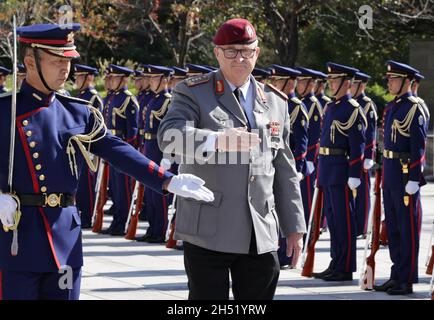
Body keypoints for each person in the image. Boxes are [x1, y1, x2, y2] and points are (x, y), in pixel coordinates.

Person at [0, 22, 213, 300]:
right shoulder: (6, 110)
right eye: (56, 62)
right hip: (17, 237)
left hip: (64, 238)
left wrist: (167, 180)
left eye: (69, 61)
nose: (66, 69)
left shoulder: (77, 113)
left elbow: (115, 149)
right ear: (30, 62)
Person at [158, 18, 306, 300]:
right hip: (209, 230)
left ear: (257, 53)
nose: (239, 57)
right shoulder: (193, 91)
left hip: (259, 230)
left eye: (246, 50)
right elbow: (169, 137)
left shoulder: (275, 101)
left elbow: (284, 167)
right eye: (231, 51)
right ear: (216, 53)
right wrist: (216, 140)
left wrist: (295, 227)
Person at [373, 61, 426, 295]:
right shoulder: (392, 106)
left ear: (406, 81)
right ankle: (396, 274)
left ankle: (406, 278)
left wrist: (416, 175)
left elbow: (419, 145)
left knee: (407, 229)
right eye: (389, 78)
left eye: (393, 78)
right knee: (393, 227)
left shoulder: (415, 107)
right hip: (391, 172)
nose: (389, 82)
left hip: (406, 175)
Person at [312, 62, 366, 282]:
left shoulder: (352, 109)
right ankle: (336, 262)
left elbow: (358, 144)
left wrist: (355, 173)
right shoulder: (332, 107)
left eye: (335, 80)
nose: (331, 83)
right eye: (330, 80)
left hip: (341, 171)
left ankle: (345, 266)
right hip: (327, 169)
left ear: (346, 83)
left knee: (344, 221)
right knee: (333, 220)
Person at [267, 64, 307, 269]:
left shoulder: (297, 107)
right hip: (273, 165)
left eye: (278, 81)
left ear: (290, 83)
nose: (274, 85)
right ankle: (279, 251)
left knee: (288, 208)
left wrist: (299, 168)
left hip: (288, 167)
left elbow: (299, 142)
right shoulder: (272, 102)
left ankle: (287, 253)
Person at [99, 64, 140, 236]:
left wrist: (126, 152)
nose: (110, 81)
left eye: (114, 78)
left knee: (123, 189)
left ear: (123, 79)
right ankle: (116, 221)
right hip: (110, 146)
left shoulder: (128, 100)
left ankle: (121, 222)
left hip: (121, 147)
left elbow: (133, 130)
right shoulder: (112, 98)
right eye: (110, 78)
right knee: (115, 188)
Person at [136, 65, 174, 243]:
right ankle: (152, 228)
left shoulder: (169, 101)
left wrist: (168, 155)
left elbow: (172, 131)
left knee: (160, 192)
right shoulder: (153, 100)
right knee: (150, 191)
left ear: (164, 80)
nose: (150, 81)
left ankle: (160, 230)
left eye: (154, 78)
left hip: (160, 150)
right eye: (149, 78)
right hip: (149, 147)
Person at [73, 64, 104, 228]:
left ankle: (89, 215)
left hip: (89, 146)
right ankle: (82, 213)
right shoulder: (80, 96)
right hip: (79, 146)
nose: (76, 79)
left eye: (80, 76)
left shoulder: (94, 98)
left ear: (89, 78)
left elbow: (98, 126)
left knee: (87, 184)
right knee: (80, 183)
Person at [350, 71, 377, 238]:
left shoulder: (367, 104)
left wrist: (369, 156)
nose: (351, 87)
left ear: (362, 85)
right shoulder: (351, 104)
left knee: (362, 193)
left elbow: (371, 133)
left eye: (354, 84)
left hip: (363, 156)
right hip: (352, 155)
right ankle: (354, 224)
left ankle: (363, 226)